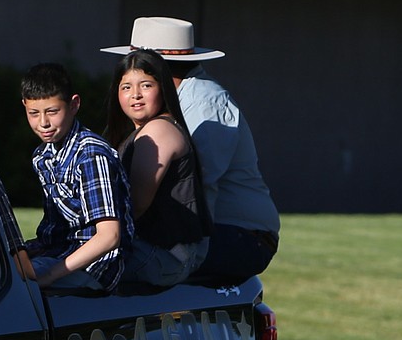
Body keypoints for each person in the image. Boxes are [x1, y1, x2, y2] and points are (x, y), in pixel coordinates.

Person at [102, 17, 279, 282]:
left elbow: (196, 183)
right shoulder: (168, 103)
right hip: (211, 231)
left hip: (239, 237)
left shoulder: (204, 101)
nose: (134, 89)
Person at [20, 62, 132, 291]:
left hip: (95, 268)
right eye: (34, 113)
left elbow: (109, 236)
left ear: (74, 105)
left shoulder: (90, 155)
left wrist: (50, 275)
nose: (43, 123)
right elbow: (55, 231)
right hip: (60, 253)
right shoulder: (42, 156)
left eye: (52, 111)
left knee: (19, 291)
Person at [104, 49, 208, 286]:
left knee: (65, 276)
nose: (136, 95)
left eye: (146, 85)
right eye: (126, 87)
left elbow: (136, 205)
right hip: (151, 250)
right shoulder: (140, 132)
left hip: (163, 256)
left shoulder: (158, 130)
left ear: (163, 88)